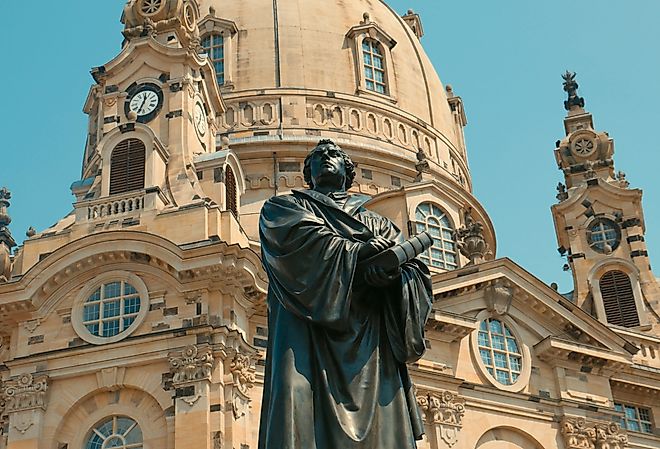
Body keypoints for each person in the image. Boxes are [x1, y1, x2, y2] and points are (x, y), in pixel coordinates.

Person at [258, 139, 433, 449]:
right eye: (319, 155)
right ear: (307, 173)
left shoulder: (379, 223)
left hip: (370, 339)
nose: (327, 156)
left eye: (335, 154)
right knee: (295, 399)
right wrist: (357, 253)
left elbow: (415, 273)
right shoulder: (284, 207)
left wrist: (391, 277)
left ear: (349, 171)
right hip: (306, 329)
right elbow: (300, 242)